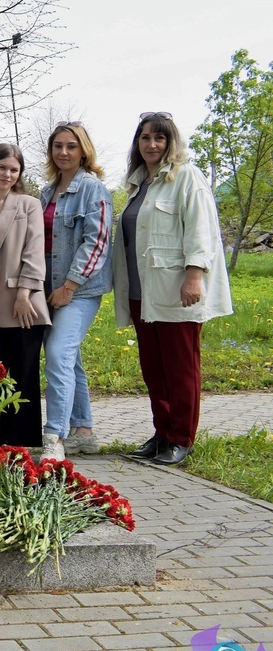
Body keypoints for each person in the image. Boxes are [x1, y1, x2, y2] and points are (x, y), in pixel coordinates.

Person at [114, 112, 232, 466]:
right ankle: (162, 433)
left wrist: (194, 276)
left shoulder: (187, 178)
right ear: (137, 143)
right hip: (141, 293)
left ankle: (182, 438)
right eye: (145, 138)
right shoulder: (138, 185)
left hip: (175, 289)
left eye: (159, 138)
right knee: (154, 369)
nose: (151, 144)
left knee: (180, 368)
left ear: (170, 143)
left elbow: (202, 231)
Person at [39, 122, 113, 460]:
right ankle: (83, 431)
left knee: (57, 355)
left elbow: (96, 242)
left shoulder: (92, 189)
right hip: (49, 288)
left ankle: (54, 436)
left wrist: (70, 285)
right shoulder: (46, 192)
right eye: (58, 146)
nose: (63, 152)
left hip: (79, 289)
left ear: (83, 150)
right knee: (71, 360)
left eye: (71, 146)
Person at [0, 143, 50, 447]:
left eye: (14, 170)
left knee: (23, 374)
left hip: (21, 300)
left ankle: (23, 444)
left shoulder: (28, 205)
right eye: (2, 167)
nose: (8, 174)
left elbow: (34, 251)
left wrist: (25, 292)